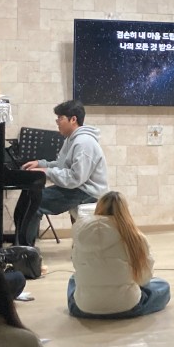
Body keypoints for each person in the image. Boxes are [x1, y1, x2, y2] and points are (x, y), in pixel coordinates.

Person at [14, 100, 109, 248]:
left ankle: (27, 251)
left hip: (87, 192)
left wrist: (47, 172)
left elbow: (75, 178)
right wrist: (41, 164)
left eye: (60, 118)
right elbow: (61, 165)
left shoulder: (84, 143)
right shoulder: (71, 139)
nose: (57, 122)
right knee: (28, 195)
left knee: (35, 202)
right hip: (76, 188)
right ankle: (20, 245)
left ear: (73, 119)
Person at [68, 191, 171, 319]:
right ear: (125, 211)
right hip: (127, 306)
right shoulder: (135, 238)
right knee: (162, 285)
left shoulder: (81, 234)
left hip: (85, 308)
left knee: (73, 279)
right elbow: (144, 278)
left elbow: (77, 266)